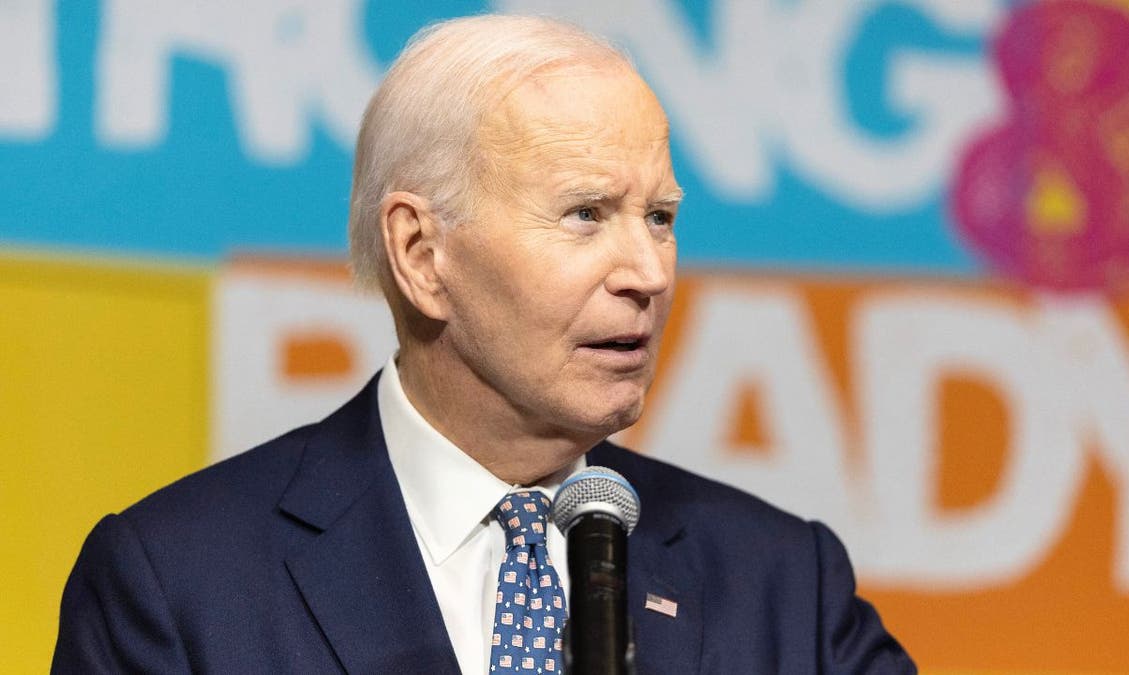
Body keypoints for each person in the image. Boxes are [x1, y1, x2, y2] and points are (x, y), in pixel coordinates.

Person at [52, 14, 915, 674]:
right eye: (586, 215)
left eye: (660, 217)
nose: (647, 271)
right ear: (422, 255)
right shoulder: (177, 584)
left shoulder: (785, 586)